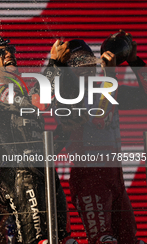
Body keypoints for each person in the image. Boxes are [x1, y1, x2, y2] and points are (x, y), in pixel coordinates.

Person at [0, 34, 78, 244]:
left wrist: (65, 131)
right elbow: (39, 101)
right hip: (20, 179)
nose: (8, 53)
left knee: (66, 241)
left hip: (46, 174)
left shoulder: (21, 94)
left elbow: (42, 146)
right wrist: (54, 64)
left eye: (10, 50)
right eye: (0, 52)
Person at [57, 34, 147, 244]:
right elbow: (100, 118)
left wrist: (134, 61)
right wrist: (111, 74)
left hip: (115, 176)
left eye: (89, 59)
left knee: (129, 240)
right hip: (89, 177)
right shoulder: (66, 95)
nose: (87, 65)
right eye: (79, 62)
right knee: (103, 240)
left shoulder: (107, 89)